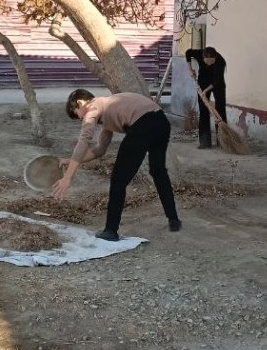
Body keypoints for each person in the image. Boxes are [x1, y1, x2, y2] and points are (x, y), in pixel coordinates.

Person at [52, 89, 181, 242]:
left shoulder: (93, 107)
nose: (80, 119)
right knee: (158, 171)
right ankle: (173, 219)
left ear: (80, 103)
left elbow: (84, 140)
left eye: (77, 114)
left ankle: (111, 230)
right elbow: (100, 150)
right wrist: (72, 160)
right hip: (161, 122)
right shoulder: (107, 107)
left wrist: (67, 178)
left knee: (118, 180)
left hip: (142, 125)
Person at [185, 46, 227, 149]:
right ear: (203, 57)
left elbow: (217, 80)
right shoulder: (199, 53)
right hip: (203, 80)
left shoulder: (220, 61)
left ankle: (222, 141)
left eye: (211, 62)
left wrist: (204, 91)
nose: (209, 64)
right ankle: (205, 142)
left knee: (220, 109)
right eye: (207, 62)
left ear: (215, 58)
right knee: (203, 110)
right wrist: (190, 69)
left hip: (217, 84)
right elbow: (188, 53)